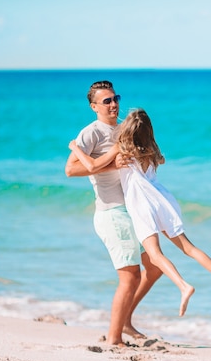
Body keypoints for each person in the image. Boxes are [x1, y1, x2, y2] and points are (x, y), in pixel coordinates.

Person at [69, 108, 211, 317]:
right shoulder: (152, 149)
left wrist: (75, 148)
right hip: (162, 199)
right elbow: (159, 161)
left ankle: (183, 285)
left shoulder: (122, 148)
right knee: (188, 247)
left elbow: (92, 165)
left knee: (154, 253)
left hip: (141, 203)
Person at [65, 81, 162, 346]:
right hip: (112, 213)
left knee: (154, 267)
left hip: (134, 209)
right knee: (129, 276)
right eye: (106, 101)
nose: (113, 104)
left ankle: (126, 321)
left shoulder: (123, 128)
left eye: (115, 98)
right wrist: (110, 167)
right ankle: (114, 338)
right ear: (94, 106)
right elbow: (70, 170)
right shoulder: (91, 133)